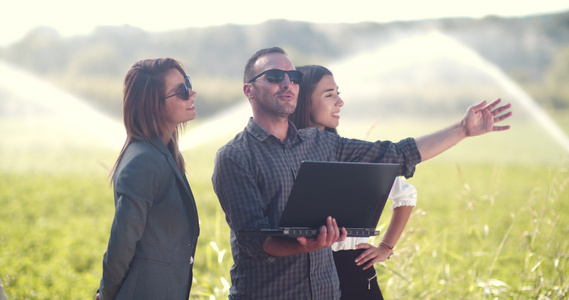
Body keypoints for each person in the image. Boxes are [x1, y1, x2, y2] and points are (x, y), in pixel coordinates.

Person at [211, 47, 511, 300]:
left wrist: (462, 130)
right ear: (249, 90)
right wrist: (310, 243)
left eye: (294, 77)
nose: (287, 83)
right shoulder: (234, 156)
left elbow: (398, 153)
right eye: (275, 77)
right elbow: (254, 240)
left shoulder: (322, 143)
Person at [290, 64, 418, 299]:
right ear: (302, 100)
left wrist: (385, 248)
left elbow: (406, 195)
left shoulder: (350, 154)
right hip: (301, 275)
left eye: (338, 93)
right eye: (329, 95)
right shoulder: (281, 157)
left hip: (355, 273)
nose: (340, 102)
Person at [96, 58, 200, 300]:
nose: (192, 93)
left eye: (188, 83)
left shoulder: (162, 154)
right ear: (154, 105)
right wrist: (106, 294)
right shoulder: (144, 161)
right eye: (181, 91)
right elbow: (122, 242)